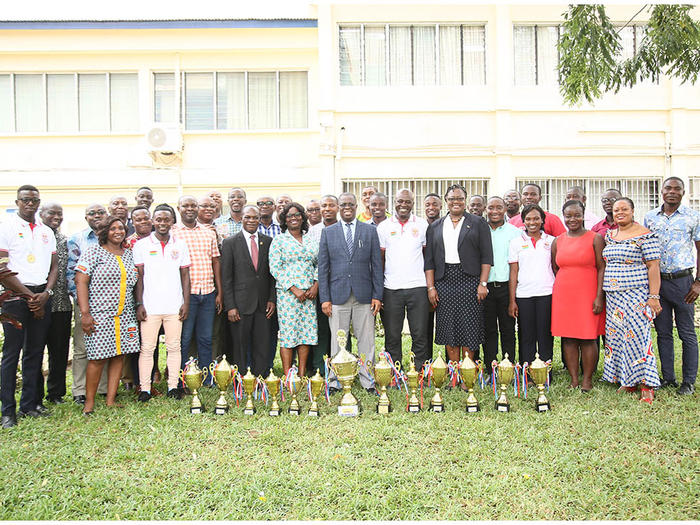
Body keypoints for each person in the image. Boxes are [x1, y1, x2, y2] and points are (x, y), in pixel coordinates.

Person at [0, 185, 57, 429]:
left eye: (34, 200)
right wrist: (29, 296)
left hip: (41, 295)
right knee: (11, 354)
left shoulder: (46, 231)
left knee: (35, 351)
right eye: (25, 200)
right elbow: (2, 269)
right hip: (14, 296)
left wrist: (45, 294)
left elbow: (54, 267)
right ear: (18, 201)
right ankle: (7, 412)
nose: (30, 204)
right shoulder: (6, 226)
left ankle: (30, 405)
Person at [318, 192, 383, 393]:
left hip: (364, 295)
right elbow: (323, 268)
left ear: (357, 207)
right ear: (338, 207)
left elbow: (376, 265)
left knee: (367, 341)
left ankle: (367, 380)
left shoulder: (369, 231)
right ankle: (336, 381)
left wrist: (377, 295)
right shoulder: (328, 232)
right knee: (338, 341)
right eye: (343, 204)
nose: (347, 207)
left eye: (351, 204)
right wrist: (325, 299)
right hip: (337, 296)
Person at [75, 215, 139, 415]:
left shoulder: (128, 254)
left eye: (121, 228)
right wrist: (85, 314)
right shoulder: (93, 252)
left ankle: (111, 399)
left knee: (119, 355)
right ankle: (89, 403)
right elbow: (81, 281)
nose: (118, 231)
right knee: (97, 358)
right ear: (104, 232)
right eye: (113, 228)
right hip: (99, 314)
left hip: (125, 314)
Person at [424, 184, 493, 366]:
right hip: (444, 282)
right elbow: (429, 260)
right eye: (452, 199)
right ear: (446, 201)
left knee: (469, 328)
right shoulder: (435, 226)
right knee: (449, 329)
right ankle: (454, 374)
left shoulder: (478, 223)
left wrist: (483, 284)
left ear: (465, 201)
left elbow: (487, 257)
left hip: (470, 281)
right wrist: (431, 287)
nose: (456, 202)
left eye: (460, 198)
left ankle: (467, 374)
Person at [644, 177, 699, 395]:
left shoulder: (693, 217)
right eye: (668, 188)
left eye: (677, 189)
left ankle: (688, 381)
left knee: (687, 333)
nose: (672, 192)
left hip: (683, 281)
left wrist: (698, 282)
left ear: (683, 192)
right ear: (661, 191)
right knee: (663, 332)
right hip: (658, 283)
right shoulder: (650, 218)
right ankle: (668, 378)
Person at [603, 197, 661, 404]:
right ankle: (627, 380)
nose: (619, 212)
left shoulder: (645, 236)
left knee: (638, 337)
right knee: (618, 338)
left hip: (636, 294)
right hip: (613, 296)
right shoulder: (610, 235)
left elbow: (653, 267)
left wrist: (654, 297)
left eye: (624, 209)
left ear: (633, 211)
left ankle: (647, 384)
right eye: (616, 210)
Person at [134, 204, 191, 401]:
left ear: (172, 222)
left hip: (174, 305)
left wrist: (186, 302)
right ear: (153, 221)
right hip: (150, 307)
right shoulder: (141, 245)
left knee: (174, 347)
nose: (162, 223)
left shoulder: (180, 245)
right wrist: (139, 304)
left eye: (166, 219)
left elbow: (185, 275)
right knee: (147, 348)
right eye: (158, 219)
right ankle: (145, 389)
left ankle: (173, 386)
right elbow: (139, 277)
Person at [551, 200, 605, 391]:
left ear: (583, 215)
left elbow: (601, 268)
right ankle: (574, 379)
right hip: (564, 295)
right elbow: (556, 267)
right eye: (568, 216)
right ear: (563, 216)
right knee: (568, 338)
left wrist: (599, 296)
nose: (572, 219)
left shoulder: (595, 238)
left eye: (576, 215)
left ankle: (587, 380)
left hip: (588, 293)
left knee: (588, 337)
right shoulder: (558, 240)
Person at [377, 189, 430, 370]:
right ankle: (394, 371)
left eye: (407, 201)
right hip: (391, 288)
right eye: (400, 201)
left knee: (419, 333)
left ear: (413, 203)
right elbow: (381, 259)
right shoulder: (384, 227)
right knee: (392, 334)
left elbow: (426, 255)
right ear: (394, 202)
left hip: (418, 287)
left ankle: (419, 371)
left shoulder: (422, 225)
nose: (403, 205)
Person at [221, 205, 276, 376]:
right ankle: (242, 377)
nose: (252, 220)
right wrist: (230, 306)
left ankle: (261, 376)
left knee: (262, 343)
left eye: (255, 217)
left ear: (260, 219)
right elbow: (226, 277)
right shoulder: (230, 242)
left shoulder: (267, 241)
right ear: (241, 219)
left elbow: (272, 274)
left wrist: (272, 299)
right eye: (248, 217)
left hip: (263, 303)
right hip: (240, 304)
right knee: (240, 344)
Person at [173, 196, 222, 382]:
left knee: (206, 338)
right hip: (186, 295)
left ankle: (207, 377)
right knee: (184, 339)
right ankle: (182, 377)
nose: (190, 209)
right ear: (179, 208)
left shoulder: (208, 232)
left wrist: (220, 292)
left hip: (208, 292)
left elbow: (215, 261)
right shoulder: (173, 233)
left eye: (193, 205)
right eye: (186, 205)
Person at [269, 203, 318, 378]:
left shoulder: (311, 239)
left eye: (297, 214)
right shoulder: (279, 240)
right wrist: (294, 289)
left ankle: (302, 375)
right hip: (288, 295)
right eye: (289, 216)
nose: (294, 218)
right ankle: (289, 375)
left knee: (305, 334)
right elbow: (275, 267)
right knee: (289, 335)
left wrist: (315, 285)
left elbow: (320, 263)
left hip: (309, 294)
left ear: (303, 217)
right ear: (284, 220)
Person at [67, 203, 109, 404]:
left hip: (109, 303)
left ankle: (103, 388)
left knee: (108, 345)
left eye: (101, 212)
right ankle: (80, 390)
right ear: (86, 218)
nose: (97, 216)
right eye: (92, 213)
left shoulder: (115, 238)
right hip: (86, 304)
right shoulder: (77, 239)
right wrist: (83, 304)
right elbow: (71, 273)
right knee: (83, 348)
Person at [507, 204, 555, 366]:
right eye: (528, 219)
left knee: (545, 334)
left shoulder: (551, 241)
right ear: (523, 221)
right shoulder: (516, 242)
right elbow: (514, 272)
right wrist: (512, 300)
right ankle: (527, 368)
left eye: (536, 218)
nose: (532, 222)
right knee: (526, 334)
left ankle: (545, 369)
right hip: (524, 295)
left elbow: (556, 268)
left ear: (542, 220)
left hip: (547, 293)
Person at [483, 197, 521, 376]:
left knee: (507, 329)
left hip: (507, 288)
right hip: (486, 288)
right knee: (488, 330)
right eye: (491, 207)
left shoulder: (515, 232)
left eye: (499, 207)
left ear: (505, 209)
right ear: (485, 209)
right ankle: (490, 368)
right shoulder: (480, 230)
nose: (495, 211)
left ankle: (508, 367)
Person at [39, 202, 72, 405]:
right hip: (37, 303)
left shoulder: (63, 240)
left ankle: (55, 393)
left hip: (61, 304)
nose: (57, 217)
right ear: (41, 214)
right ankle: (34, 395)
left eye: (60, 214)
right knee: (34, 350)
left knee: (59, 351)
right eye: (52, 213)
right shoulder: (36, 238)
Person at [125, 206, 161, 389]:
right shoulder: (128, 243)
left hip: (156, 298)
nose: (143, 222)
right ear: (132, 222)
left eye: (146, 218)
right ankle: (137, 381)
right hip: (133, 299)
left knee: (152, 340)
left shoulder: (160, 241)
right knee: (136, 341)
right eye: (138, 219)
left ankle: (152, 376)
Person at [307, 195, 339, 373]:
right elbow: (312, 261)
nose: (327, 209)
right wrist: (316, 284)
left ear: (338, 208)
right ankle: (319, 368)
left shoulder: (345, 228)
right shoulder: (313, 231)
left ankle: (342, 367)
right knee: (320, 328)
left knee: (340, 330)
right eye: (324, 206)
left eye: (331, 205)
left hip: (341, 285)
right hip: (318, 287)